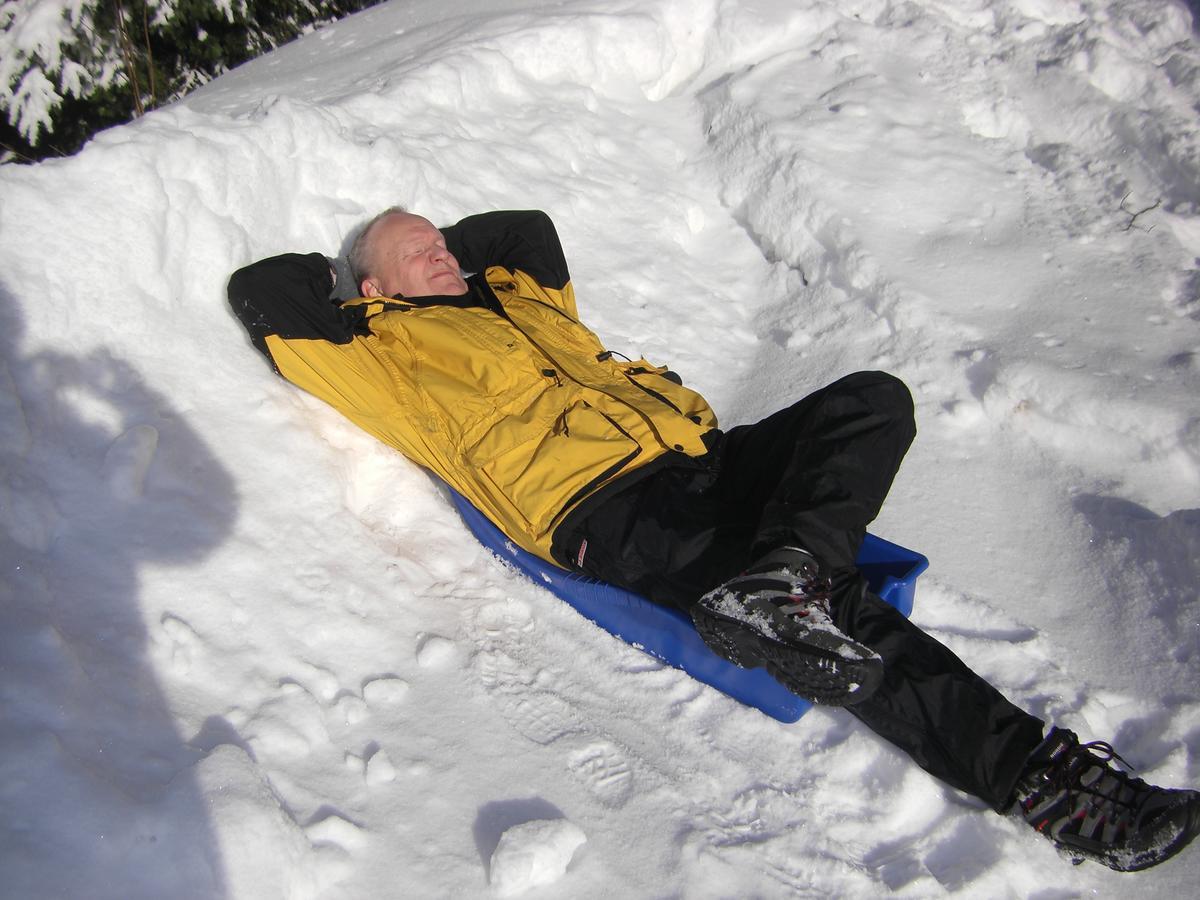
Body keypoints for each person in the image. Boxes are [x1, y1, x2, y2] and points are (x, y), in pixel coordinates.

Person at [228, 208, 1199, 872]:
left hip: (705, 456)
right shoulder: (376, 353)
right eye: (414, 250)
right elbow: (265, 292)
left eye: (440, 239)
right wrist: (357, 285)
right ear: (367, 284)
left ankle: (783, 580)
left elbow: (520, 231)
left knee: (872, 402)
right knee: (855, 626)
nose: (442, 251)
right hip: (609, 507)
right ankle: (1047, 783)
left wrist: (451, 265)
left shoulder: (520, 300)